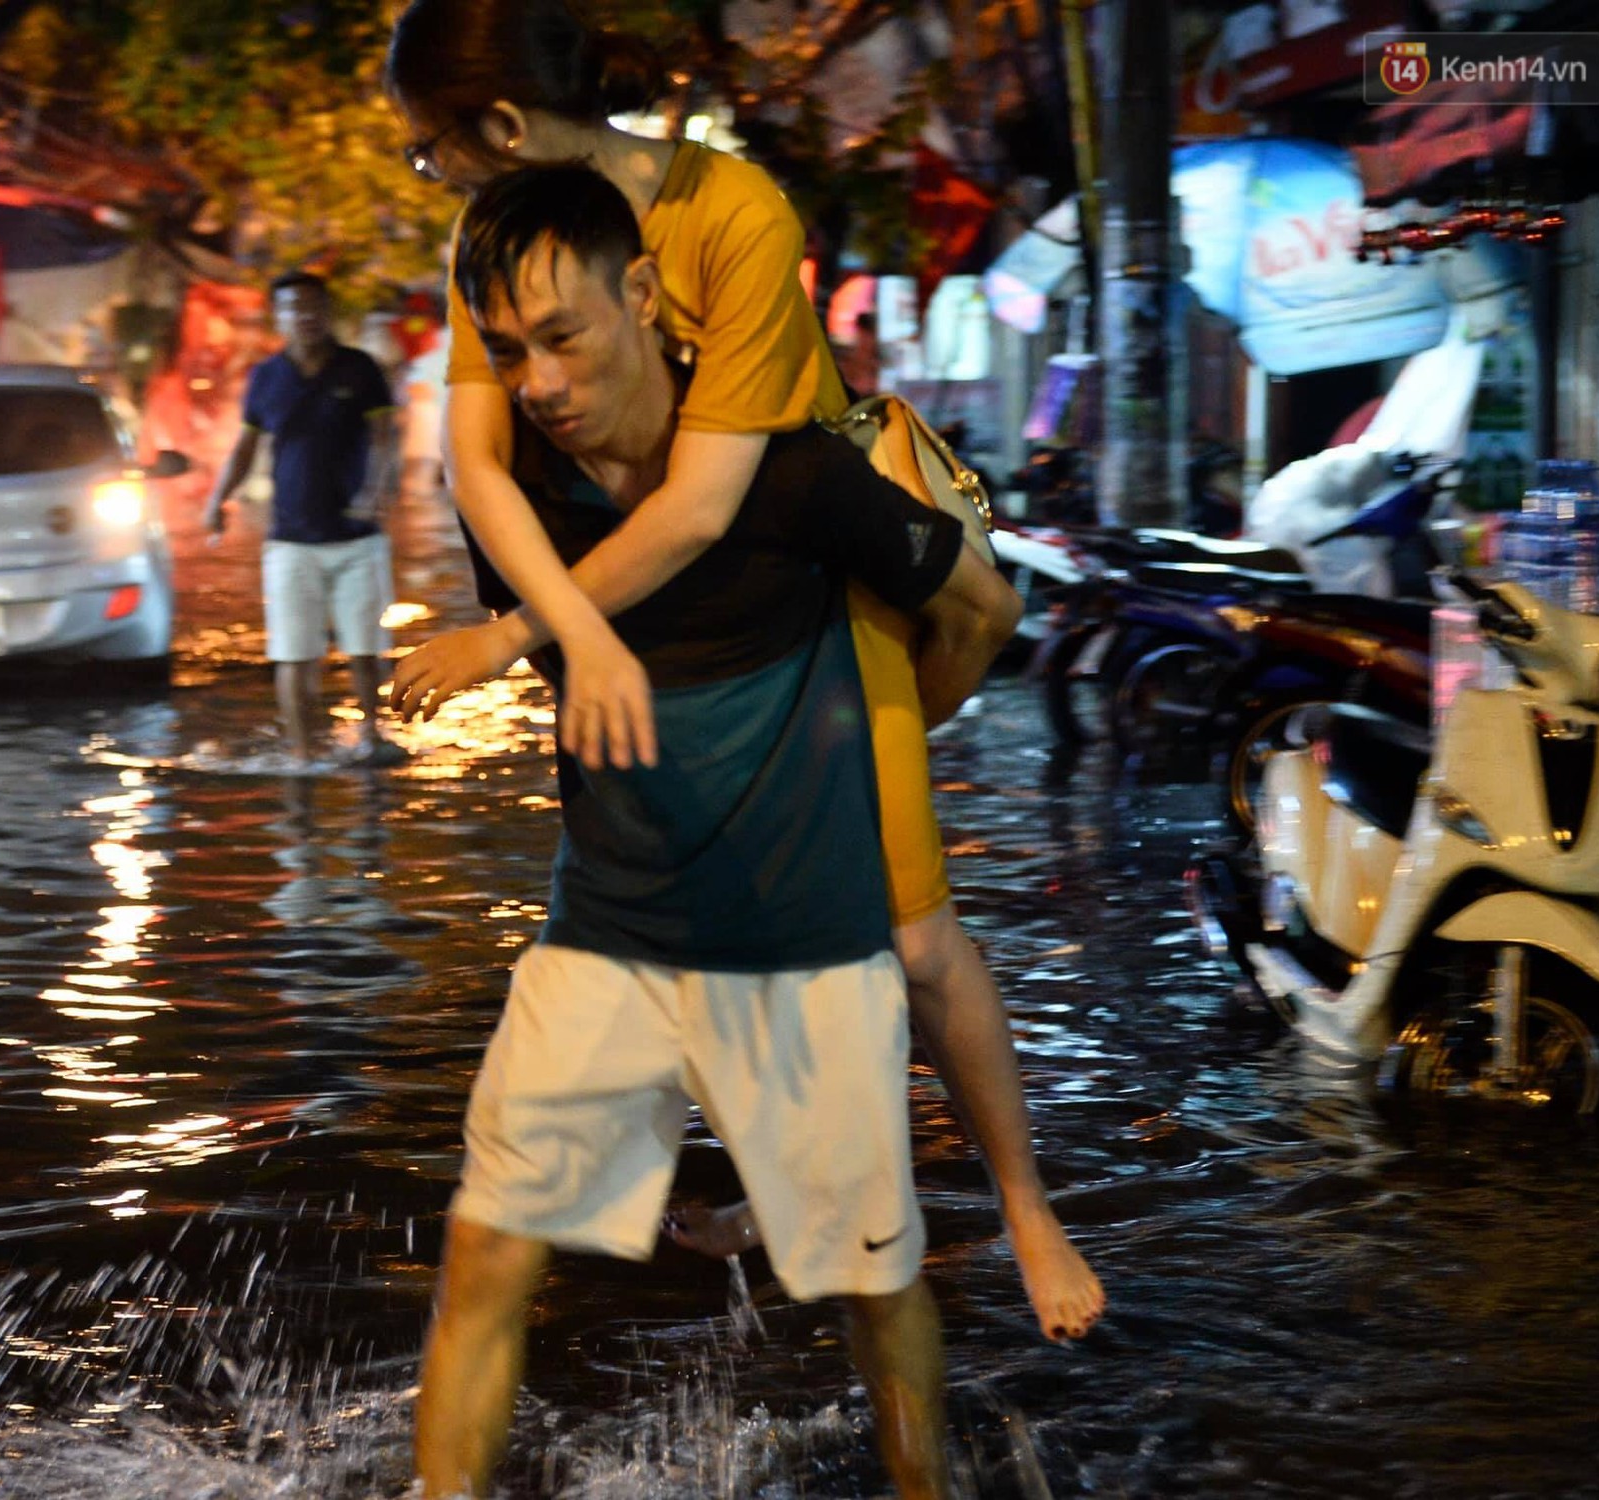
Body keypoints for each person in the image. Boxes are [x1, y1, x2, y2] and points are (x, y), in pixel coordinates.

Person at [385, 0, 1105, 1342]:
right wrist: (575, 629)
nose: (432, 182)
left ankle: (1022, 1204)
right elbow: (474, 467)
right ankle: (790, 1200)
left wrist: (520, 633)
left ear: (495, 124)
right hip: (638, 611)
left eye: (430, 152)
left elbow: (713, 503)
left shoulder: (732, 217)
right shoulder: (494, 237)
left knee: (905, 929)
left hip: (806, 592)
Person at [399, 162, 1015, 1500]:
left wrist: (882, 750)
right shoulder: (514, 508)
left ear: (641, 295)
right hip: (606, 936)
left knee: (873, 1284)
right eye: (507, 353)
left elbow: (982, 609)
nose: (542, 382)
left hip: (806, 954)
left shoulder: (792, 480)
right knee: (486, 1256)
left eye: (565, 337)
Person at [204, 271, 405, 768]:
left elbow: (384, 439)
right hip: (290, 539)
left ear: (328, 311)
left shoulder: (361, 370)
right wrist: (216, 502)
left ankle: (371, 734)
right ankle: (299, 752)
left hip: (359, 538)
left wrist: (375, 491)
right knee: (292, 652)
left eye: (314, 306)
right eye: (293, 308)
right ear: (280, 316)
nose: (305, 316)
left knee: (366, 647)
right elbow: (246, 447)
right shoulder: (266, 377)